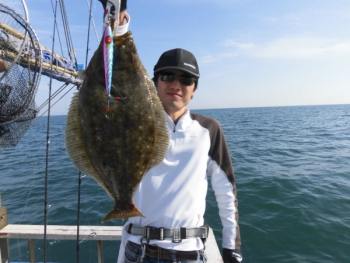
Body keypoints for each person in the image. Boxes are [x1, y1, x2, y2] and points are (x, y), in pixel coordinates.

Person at [99, 1, 242, 262]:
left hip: (188, 251)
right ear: (153, 83)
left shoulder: (209, 129)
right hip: (136, 250)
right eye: (167, 77)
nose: (176, 84)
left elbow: (226, 191)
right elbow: (117, 72)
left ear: (194, 88)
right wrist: (117, 20)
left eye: (186, 79)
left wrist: (232, 247)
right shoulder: (130, 120)